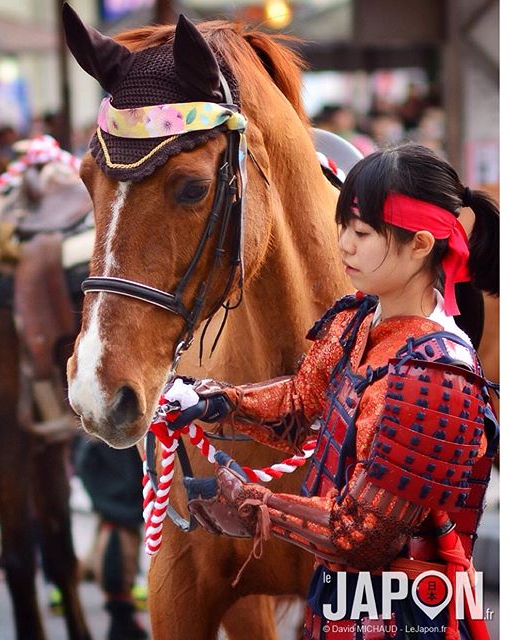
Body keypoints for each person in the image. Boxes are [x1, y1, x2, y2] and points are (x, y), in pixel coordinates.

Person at [166, 143, 499, 639]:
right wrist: (212, 401)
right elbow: (301, 405)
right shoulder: (358, 319)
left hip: (406, 619)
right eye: (343, 225)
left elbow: (358, 535)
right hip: (342, 610)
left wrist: (252, 503)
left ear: (421, 244)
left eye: (362, 232)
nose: (342, 242)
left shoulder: (438, 378)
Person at [72, 435, 148, 640]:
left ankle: (121, 611)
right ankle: (121, 613)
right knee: (120, 523)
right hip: (115, 437)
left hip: (105, 441)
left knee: (118, 521)